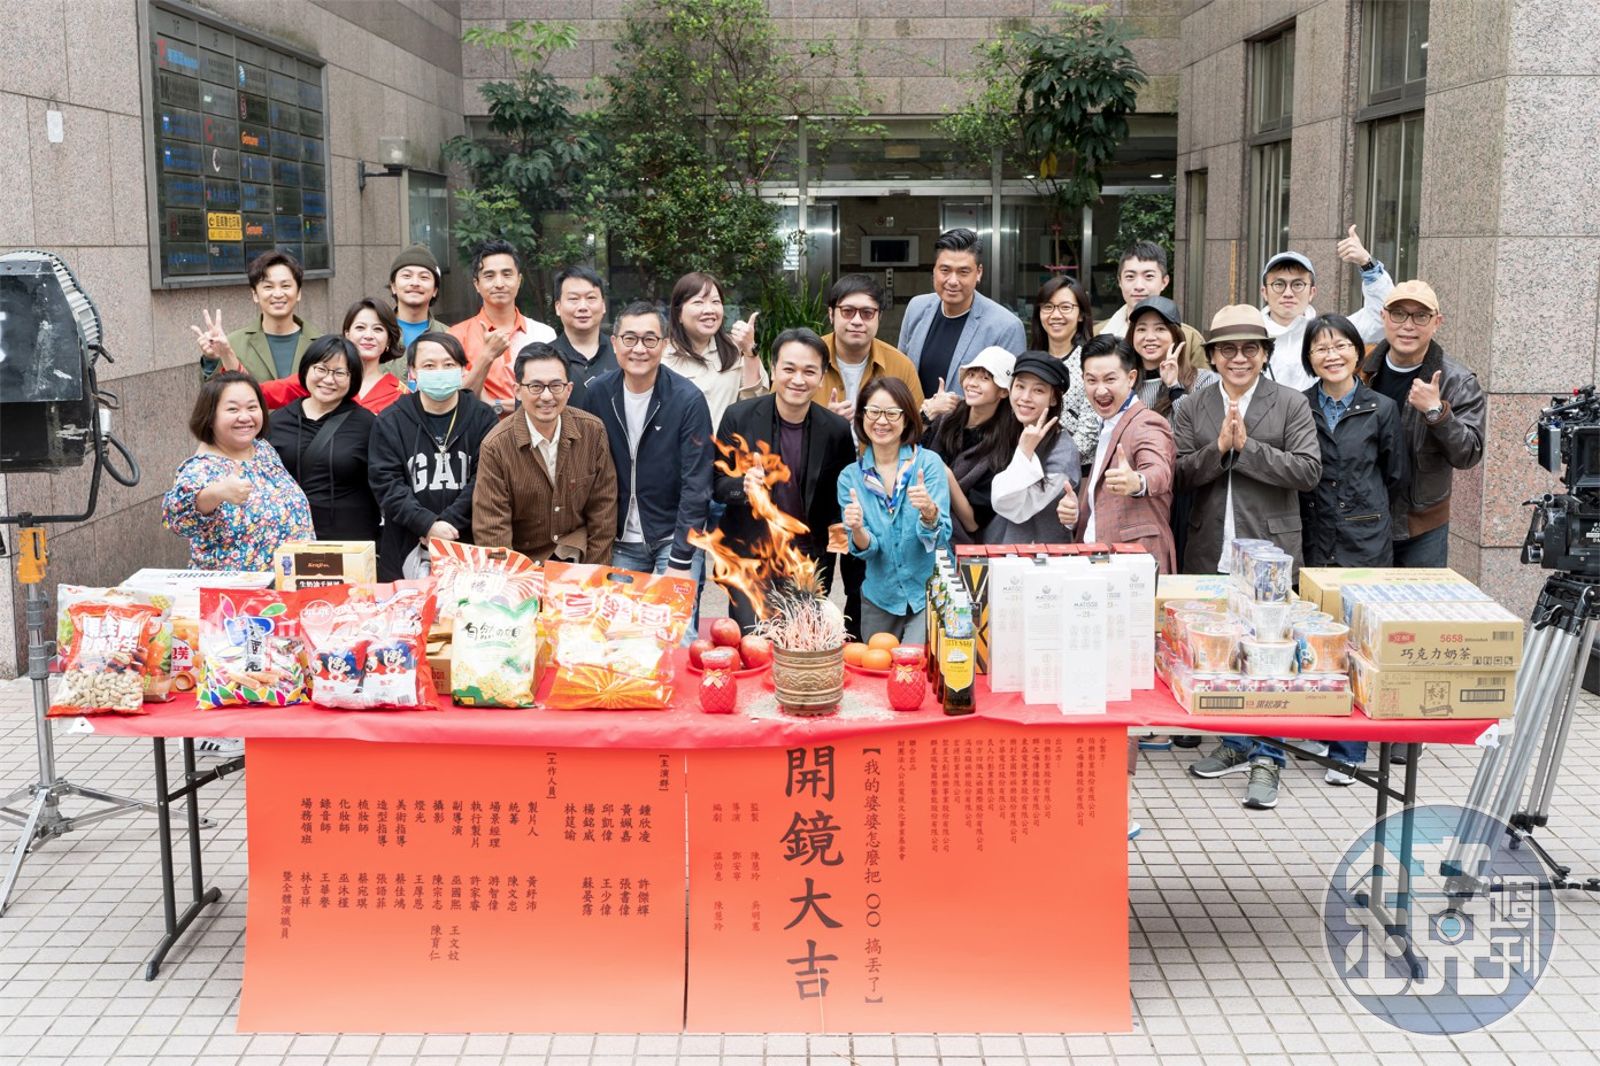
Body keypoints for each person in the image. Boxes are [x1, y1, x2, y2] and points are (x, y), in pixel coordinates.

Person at [1176, 306, 1322, 810]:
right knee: (1224, 654)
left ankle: (1268, 756)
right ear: (1212, 356)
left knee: (1270, 656)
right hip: (1210, 549)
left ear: (1264, 354)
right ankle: (1235, 742)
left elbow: (1308, 471)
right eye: (1227, 350)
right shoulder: (1193, 406)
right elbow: (1179, 473)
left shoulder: (1291, 403)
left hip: (1270, 552)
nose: (1238, 358)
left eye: (1250, 349)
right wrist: (1218, 449)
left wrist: (1247, 448)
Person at [1297, 313, 1409, 785]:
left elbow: (1396, 474)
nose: (1332, 355)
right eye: (1321, 348)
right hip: (1313, 534)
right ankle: (1321, 729)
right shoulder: (1300, 405)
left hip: (1364, 539)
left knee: (1357, 643)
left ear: (1357, 351)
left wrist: (1364, 511)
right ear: (1309, 358)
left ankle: (1350, 749)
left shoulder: (1381, 408)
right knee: (1316, 638)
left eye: (1341, 345)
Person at [579, 301, 715, 636]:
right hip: (620, 538)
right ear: (614, 343)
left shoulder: (687, 399)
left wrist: (681, 560)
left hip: (673, 535)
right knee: (618, 637)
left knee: (676, 636)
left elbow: (697, 484)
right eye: (630, 338)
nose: (639, 348)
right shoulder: (597, 394)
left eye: (650, 339)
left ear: (664, 344)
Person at [712, 329, 856, 632]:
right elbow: (717, 483)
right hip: (750, 556)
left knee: (801, 642)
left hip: (807, 558)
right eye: (789, 369)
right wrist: (744, 486)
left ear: (822, 376)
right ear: (774, 368)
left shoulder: (837, 430)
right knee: (753, 641)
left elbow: (839, 499)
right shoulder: (739, 417)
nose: (798, 379)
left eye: (809, 371)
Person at [1359, 280, 1485, 569]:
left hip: (1421, 526)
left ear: (1437, 322)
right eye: (1398, 314)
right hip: (1362, 518)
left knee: (1418, 599)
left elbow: (1469, 453)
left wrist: (1436, 412)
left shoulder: (1458, 381)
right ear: (1383, 317)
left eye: (1420, 316)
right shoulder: (1360, 368)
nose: (1408, 325)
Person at [368, 332, 499, 581]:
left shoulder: (483, 418)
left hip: (468, 544)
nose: (439, 372)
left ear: (463, 369)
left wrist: (447, 524)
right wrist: (427, 524)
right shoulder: (390, 420)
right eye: (429, 365)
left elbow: (486, 479)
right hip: (406, 545)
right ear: (412, 372)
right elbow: (386, 484)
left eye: (448, 365)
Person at [471, 342, 618, 564]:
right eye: (536, 387)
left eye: (556, 386)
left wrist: (593, 574)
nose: (547, 396)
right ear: (517, 390)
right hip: (523, 561)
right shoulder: (496, 446)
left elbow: (603, 511)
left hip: (576, 556)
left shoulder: (592, 431)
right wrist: (513, 581)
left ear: (569, 389)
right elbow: (492, 530)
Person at [837, 377, 951, 643]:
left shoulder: (927, 464)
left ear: (907, 418)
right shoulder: (850, 477)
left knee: (916, 662)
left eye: (892, 413)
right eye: (873, 411)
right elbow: (868, 550)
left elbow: (940, 538)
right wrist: (857, 529)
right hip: (881, 597)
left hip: (928, 591)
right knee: (877, 664)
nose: (881, 421)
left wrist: (929, 512)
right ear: (862, 416)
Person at [163, 370, 313, 570]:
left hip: (289, 581)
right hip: (235, 588)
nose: (245, 417)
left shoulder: (262, 449)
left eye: (252, 407)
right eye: (233, 409)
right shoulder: (201, 469)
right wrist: (216, 493)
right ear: (210, 416)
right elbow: (178, 520)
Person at [1058, 338, 1177, 572]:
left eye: (1110, 379)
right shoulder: (1107, 424)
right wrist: (1075, 515)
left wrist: (1138, 481)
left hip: (1135, 567)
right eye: (1091, 380)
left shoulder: (1147, 423)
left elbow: (1159, 470)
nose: (1100, 390)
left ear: (1131, 378)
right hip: (1096, 562)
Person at [266, 336, 380, 542]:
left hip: (350, 541)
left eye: (339, 373)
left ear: (352, 378)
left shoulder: (368, 424)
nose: (328, 379)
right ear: (306, 369)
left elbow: (385, 481)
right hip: (289, 539)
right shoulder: (277, 421)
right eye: (321, 369)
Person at [898, 228, 1027, 409]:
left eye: (963, 272)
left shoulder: (1006, 326)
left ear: (979, 272)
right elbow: (900, 375)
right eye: (945, 270)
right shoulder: (916, 308)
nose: (952, 281)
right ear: (934, 270)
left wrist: (950, 408)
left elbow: (1011, 398)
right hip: (915, 423)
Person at [1257, 225, 1394, 392]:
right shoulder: (1250, 335)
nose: (1288, 293)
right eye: (1279, 284)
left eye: (1298, 284)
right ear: (1264, 292)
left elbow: (1382, 317)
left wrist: (1367, 264)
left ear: (1312, 292)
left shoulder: (1333, 332)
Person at [448, 239, 557, 418]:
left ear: (519, 280)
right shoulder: (456, 336)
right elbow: (456, 400)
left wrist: (495, 404)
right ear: (476, 284)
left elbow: (552, 397)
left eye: (507, 274)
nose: (499, 283)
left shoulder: (543, 334)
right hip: (480, 432)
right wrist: (487, 355)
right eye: (489, 276)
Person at [921, 348, 1017, 544]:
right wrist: (927, 415)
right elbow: (903, 451)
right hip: (911, 522)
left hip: (953, 541)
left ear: (1003, 391)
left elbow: (972, 523)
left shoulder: (1004, 445)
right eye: (971, 375)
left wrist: (945, 474)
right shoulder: (945, 416)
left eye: (985, 378)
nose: (972, 383)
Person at [987, 352, 1080, 544]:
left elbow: (1011, 506)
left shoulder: (1062, 451)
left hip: (1039, 556)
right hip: (996, 549)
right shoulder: (1007, 430)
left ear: (1054, 399)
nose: (1025, 397)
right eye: (1020, 386)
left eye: (1038, 390)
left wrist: (1024, 452)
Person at [257, 298, 408, 414]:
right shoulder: (320, 379)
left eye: (378, 329)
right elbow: (261, 394)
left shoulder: (401, 395)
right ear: (347, 334)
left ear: (389, 340)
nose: (368, 335)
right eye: (360, 327)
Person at [661, 271, 768, 433]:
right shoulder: (662, 358)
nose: (709, 310)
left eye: (715, 302)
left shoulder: (734, 351)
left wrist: (749, 350)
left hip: (725, 447)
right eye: (698, 302)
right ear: (679, 314)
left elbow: (756, 405)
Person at [192, 250, 322, 381]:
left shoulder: (321, 344)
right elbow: (216, 391)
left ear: (298, 293)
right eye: (268, 287)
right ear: (255, 294)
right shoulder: (233, 344)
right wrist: (212, 359)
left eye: (285, 286)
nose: (278, 294)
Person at [818, 273, 924, 423]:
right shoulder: (806, 358)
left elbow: (916, 427)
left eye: (867, 313)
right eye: (847, 311)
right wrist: (822, 423)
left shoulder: (901, 366)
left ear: (879, 317)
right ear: (831, 314)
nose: (857, 321)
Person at [1093, 242, 1206, 363]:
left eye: (1149, 276)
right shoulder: (1097, 333)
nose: (1139, 286)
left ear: (1164, 282)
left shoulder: (1189, 338)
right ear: (1120, 282)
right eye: (1130, 276)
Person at [1031, 276, 1100, 461]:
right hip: (1028, 464)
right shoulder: (1030, 361)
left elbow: (1089, 432)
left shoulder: (1090, 363)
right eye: (1048, 307)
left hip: (1076, 468)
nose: (1055, 315)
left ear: (1081, 315)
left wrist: (1054, 463)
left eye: (1065, 307)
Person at [550, 265, 618, 399]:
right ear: (558, 307)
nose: (583, 307)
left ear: (603, 305)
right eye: (573, 299)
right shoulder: (544, 358)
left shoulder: (622, 353)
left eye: (591, 298)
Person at [388, 243, 450, 372]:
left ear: (435, 290)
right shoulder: (377, 333)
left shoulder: (450, 335)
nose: (415, 283)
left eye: (424, 277)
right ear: (393, 286)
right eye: (407, 276)